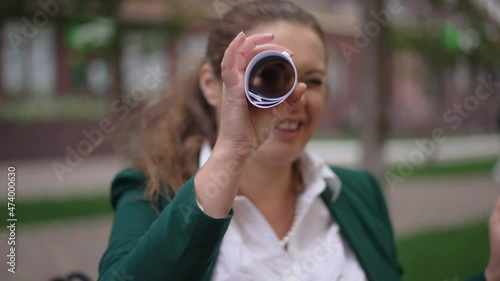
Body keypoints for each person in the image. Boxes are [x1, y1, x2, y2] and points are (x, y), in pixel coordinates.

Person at [98, 1, 500, 280]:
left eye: (315, 80)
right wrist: (233, 154)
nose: (294, 97)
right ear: (211, 84)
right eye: (270, 74)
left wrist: (492, 274)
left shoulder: (357, 194)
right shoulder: (150, 193)